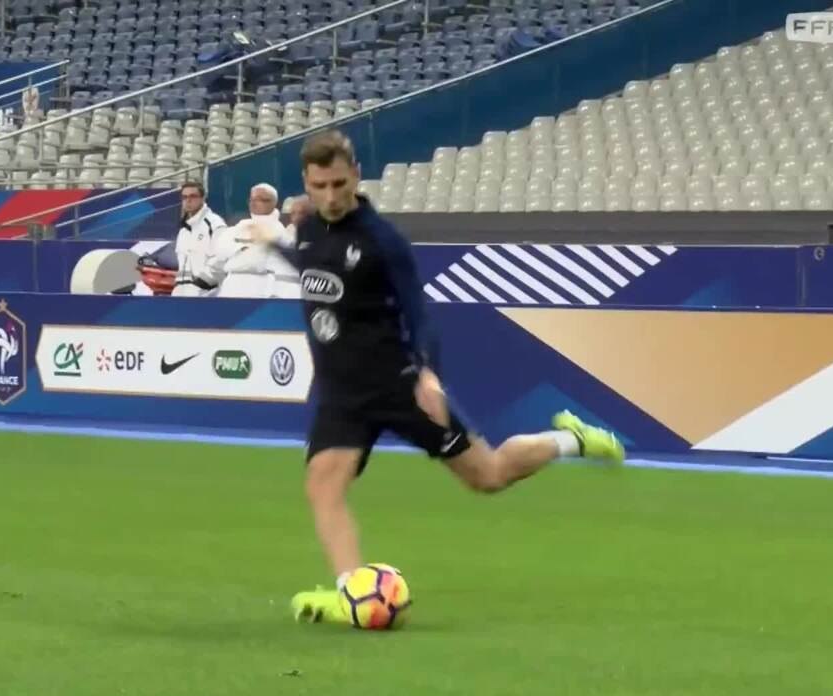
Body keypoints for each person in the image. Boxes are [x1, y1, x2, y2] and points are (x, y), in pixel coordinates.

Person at [244, 130, 626, 624]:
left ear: (356, 174)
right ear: (307, 182)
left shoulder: (383, 241)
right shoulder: (310, 228)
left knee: (489, 476)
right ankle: (351, 594)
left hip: (398, 386)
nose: (332, 196)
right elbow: (310, 265)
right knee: (323, 485)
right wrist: (275, 244)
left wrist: (430, 376)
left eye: (339, 183)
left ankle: (569, 439)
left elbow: (420, 313)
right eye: (321, 186)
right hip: (342, 393)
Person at [210, 183, 301, 299]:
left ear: (273, 203)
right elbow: (220, 249)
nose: (253, 203)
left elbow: (267, 260)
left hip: (261, 286)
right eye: (251, 199)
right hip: (231, 285)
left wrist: (240, 248)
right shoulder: (240, 225)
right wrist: (243, 248)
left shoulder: (280, 231)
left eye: (259, 199)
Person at [170, 180, 226, 297]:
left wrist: (201, 285)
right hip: (181, 294)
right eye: (184, 197)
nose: (188, 200)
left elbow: (221, 258)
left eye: (193, 196)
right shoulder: (183, 231)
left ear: (203, 198)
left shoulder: (215, 224)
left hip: (206, 295)